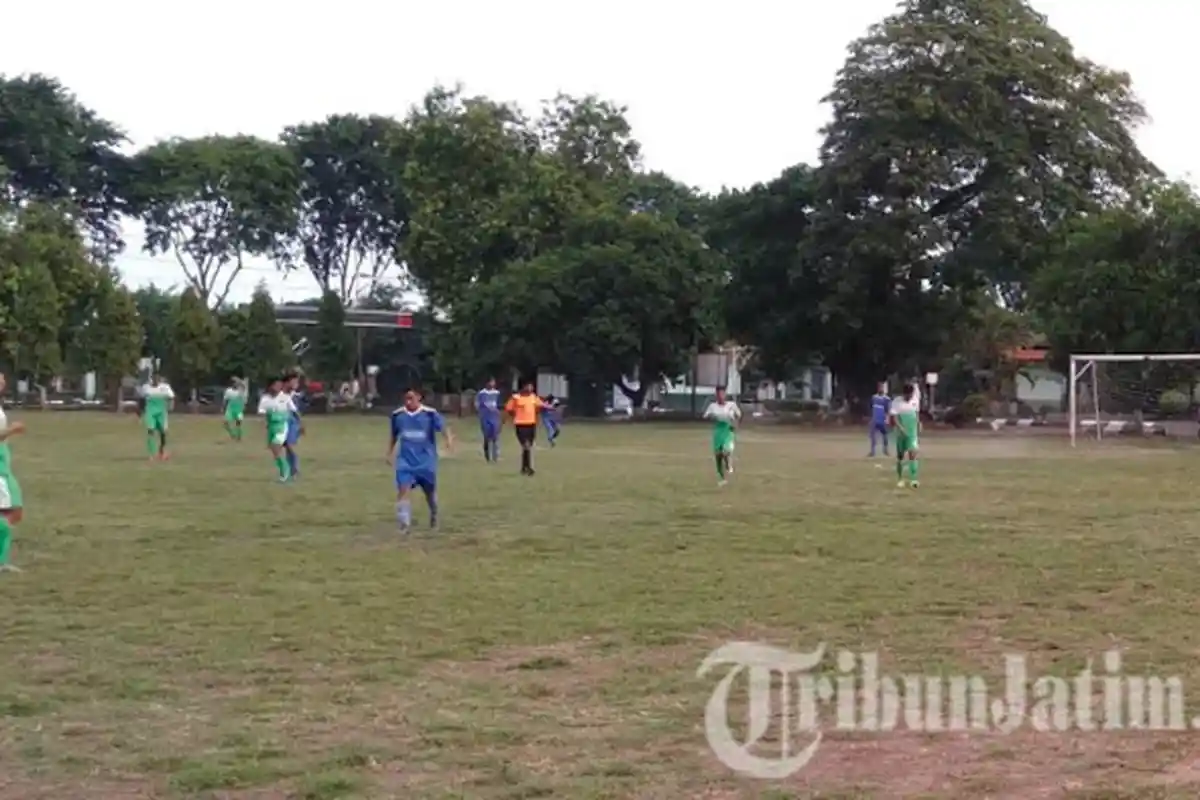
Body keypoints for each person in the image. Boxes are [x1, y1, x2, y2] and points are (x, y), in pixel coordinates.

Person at [388, 388, 454, 533]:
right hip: (405, 461)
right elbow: (394, 435)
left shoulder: (430, 414)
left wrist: (448, 441)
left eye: (411, 398)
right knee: (403, 489)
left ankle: (434, 514)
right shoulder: (398, 415)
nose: (408, 402)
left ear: (419, 397)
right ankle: (404, 524)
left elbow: (443, 428)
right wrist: (389, 453)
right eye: (406, 398)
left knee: (429, 492)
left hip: (426, 461)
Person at [0, 372, 27, 573]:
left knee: (14, 511)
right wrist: (12, 430)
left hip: (4, 464)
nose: (2, 381)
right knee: (11, 512)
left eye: (3, 379)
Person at [703, 386, 741, 486]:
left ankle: (728, 464)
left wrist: (735, 424)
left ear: (725, 394)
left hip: (728, 430)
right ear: (716, 395)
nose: (720, 396)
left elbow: (738, 416)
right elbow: (706, 416)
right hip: (718, 431)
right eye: (718, 394)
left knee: (726, 450)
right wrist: (712, 417)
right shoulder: (712, 406)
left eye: (722, 394)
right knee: (718, 455)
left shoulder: (731, 405)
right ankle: (721, 478)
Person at [504, 381, 544, 476]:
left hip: (531, 424)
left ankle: (524, 468)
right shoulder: (516, 398)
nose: (530, 388)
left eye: (531, 387)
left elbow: (540, 406)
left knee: (527, 447)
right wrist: (516, 415)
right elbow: (509, 408)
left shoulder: (533, 397)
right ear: (524, 387)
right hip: (520, 424)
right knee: (526, 445)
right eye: (529, 386)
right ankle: (529, 468)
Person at [890, 383, 922, 488]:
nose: (909, 397)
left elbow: (916, 414)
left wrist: (919, 424)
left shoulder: (915, 400)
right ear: (904, 394)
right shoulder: (896, 402)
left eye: (911, 395)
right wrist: (901, 428)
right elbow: (894, 418)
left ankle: (913, 479)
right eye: (907, 395)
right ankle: (900, 479)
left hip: (912, 432)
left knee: (913, 453)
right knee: (900, 456)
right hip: (901, 433)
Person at [140, 374, 175, 461]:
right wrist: (140, 411)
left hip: (161, 412)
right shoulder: (146, 388)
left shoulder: (165, 388)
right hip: (150, 412)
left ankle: (161, 451)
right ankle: (152, 454)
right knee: (151, 431)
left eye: (157, 380)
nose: (155, 381)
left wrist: (170, 407)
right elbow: (141, 399)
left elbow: (171, 397)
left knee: (163, 432)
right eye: (153, 379)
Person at [281, 372, 305, 478]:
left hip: (292, 422)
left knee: (289, 445)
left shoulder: (294, 395)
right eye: (294, 381)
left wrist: (301, 424)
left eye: (297, 382)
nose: (296, 384)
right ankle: (292, 469)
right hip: (282, 421)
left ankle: (294, 468)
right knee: (286, 446)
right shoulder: (281, 395)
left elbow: (296, 412)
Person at [476, 378, 502, 462]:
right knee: (487, 437)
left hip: (495, 417)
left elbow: (499, 405)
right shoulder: (482, 393)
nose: (492, 384)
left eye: (493, 382)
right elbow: (477, 404)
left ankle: (496, 456)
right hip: (485, 417)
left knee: (495, 437)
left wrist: (498, 413)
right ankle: (487, 456)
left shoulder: (497, 393)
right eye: (491, 382)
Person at [869, 382, 891, 457]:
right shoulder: (874, 397)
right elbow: (871, 407)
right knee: (873, 436)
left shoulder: (887, 399)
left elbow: (888, 410)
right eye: (879, 387)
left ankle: (886, 450)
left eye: (882, 387)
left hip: (882, 420)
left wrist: (887, 419)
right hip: (875, 419)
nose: (880, 389)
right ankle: (872, 451)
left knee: (885, 435)